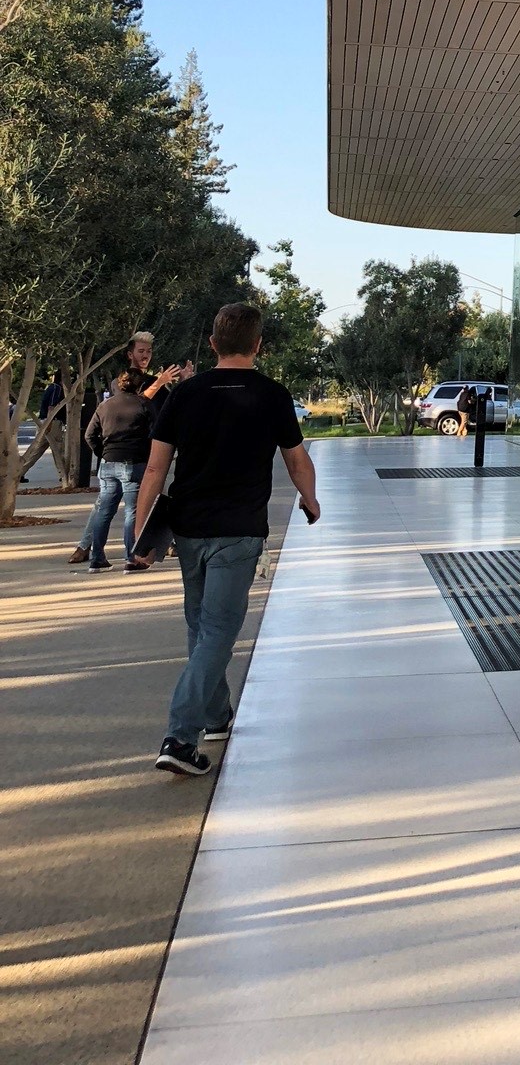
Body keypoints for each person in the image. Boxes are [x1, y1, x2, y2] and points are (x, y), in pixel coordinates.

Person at [135, 303, 319, 776]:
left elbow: (156, 468)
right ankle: (179, 737)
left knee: (200, 624)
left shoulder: (185, 394)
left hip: (189, 529)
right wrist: (310, 500)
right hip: (239, 531)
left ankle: (216, 716)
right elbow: (296, 459)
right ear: (258, 345)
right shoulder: (273, 395)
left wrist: (139, 531)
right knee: (216, 629)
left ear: (214, 344)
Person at [67, 333, 189, 565]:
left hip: (149, 453)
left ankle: (163, 544)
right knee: (118, 506)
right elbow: (135, 402)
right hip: (129, 457)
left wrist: (183, 381)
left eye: (149, 352)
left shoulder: (158, 382)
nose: (145, 356)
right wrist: (104, 453)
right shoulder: (121, 381)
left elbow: (173, 407)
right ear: (130, 354)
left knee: (154, 501)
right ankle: (93, 547)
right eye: (141, 351)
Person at [75, 370, 155, 571]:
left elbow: (90, 435)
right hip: (133, 462)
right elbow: (155, 432)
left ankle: (97, 558)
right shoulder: (143, 405)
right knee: (132, 512)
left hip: (108, 462)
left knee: (104, 511)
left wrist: (103, 453)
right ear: (139, 386)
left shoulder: (104, 405)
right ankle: (131, 557)